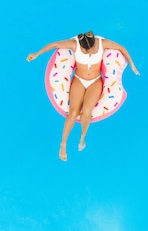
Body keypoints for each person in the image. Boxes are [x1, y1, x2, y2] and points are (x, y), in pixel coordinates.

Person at [27, 31, 139, 161]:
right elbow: (55, 44)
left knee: (87, 111)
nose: (89, 52)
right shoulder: (75, 45)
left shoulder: (101, 43)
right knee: (73, 113)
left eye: (91, 49)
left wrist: (132, 65)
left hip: (95, 81)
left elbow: (121, 47)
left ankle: (82, 136)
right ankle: (63, 144)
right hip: (79, 79)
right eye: (86, 50)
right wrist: (36, 54)